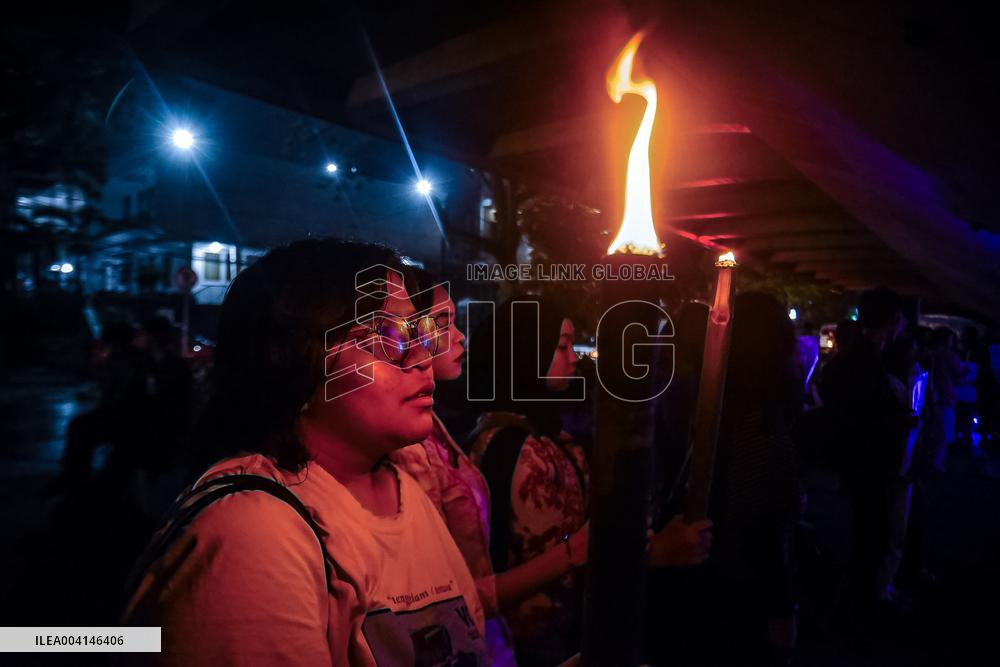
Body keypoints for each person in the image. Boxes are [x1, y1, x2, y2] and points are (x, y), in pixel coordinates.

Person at [124, 239, 490, 665]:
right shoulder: (252, 534)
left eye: (421, 332)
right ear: (293, 359)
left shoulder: (405, 492)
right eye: (384, 335)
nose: (424, 357)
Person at [464, 295, 590, 667]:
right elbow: (555, 571)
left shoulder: (532, 430)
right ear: (525, 351)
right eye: (562, 345)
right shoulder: (520, 449)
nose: (573, 357)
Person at [708, 292, 805, 661]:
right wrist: (783, 605)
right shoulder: (759, 424)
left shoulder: (718, 408)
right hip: (750, 582)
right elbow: (765, 522)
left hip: (720, 578)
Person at [820, 286, 911, 623]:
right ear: (894, 321)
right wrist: (898, 417)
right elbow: (867, 410)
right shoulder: (867, 358)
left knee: (867, 532)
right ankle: (859, 608)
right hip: (869, 461)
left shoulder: (860, 355)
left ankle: (858, 601)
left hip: (858, 459)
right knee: (871, 534)